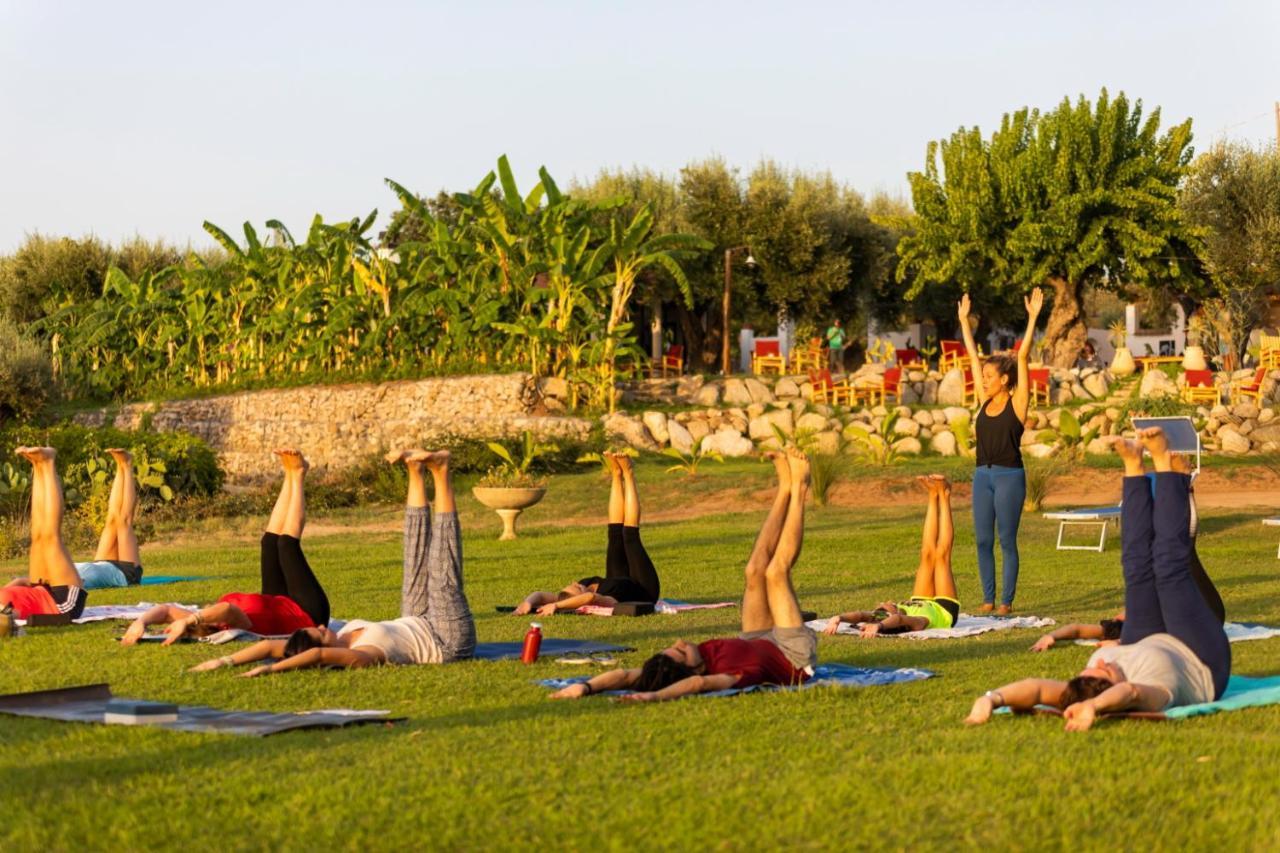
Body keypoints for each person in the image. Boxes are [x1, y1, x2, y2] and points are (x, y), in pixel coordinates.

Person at [966, 428, 1231, 731]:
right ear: (1111, 694)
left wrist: (991, 698)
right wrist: (1094, 706)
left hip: (1144, 638)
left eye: (1089, 672)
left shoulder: (1089, 681)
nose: (1101, 663)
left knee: (1135, 566)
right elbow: (1129, 691)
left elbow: (1037, 689)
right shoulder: (1151, 692)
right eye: (1105, 674)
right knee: (1169, 568)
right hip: (1198, 656)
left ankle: (1133, 466)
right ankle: (1162, 461)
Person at [550, 449, 817, 702]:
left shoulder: (695, 660)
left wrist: (585, 687)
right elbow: (698, 686)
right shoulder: (723, 677)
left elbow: (626, 675)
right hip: (792, 655)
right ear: (693, 671)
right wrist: (655, 697)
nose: (680, 642)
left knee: (754, 571)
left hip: (755, 638)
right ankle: (801, 488)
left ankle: (784, 490)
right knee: (775, 573)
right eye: (680, 651)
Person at [191, 449, 475, 675]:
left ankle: (415, 471)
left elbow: (267, 645)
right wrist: (272, 671)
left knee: (413, 557)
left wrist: (224, 662)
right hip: (444, 639)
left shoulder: (338, 633)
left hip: (414, 619)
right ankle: (441, 472)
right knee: (442, 575)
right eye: (320, 634)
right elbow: (318, 654)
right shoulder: (364, 655)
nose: (325, 627)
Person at [121, 449, 329, 645]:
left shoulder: (203, 618)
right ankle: (299, 474)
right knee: (286, 545)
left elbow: (165, 610)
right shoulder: (234, 624)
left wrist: (142, 622)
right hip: (307, 613)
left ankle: (289, 474)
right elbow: (228, 609)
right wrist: (189, 620)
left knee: (268, 542)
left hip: (277, 601)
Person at [958, 287, 1043, 614]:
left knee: (1006, 540)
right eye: (983, 375)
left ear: (1005, 380)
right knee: (982, 541)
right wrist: (965, 322)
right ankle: (987, 599)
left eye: (990, 376)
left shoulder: (1019, 404)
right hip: (983, 476)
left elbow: (1022, 357)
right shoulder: (983, 399)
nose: (984, 378)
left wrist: (1033, 318)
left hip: (1010, 477)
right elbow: (970, 354)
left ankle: (1006, 602)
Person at [514, 452, 660, 616]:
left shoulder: (580, 588)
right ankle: (629, 473)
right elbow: (589, 597)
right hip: (644, 590)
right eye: (576, 587)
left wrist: (528, 602)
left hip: (621, 579)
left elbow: (540, 595)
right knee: (629, 536)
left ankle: (617, 474)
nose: (576, 582)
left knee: (614, 533)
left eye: (572, 584)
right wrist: (557, 607)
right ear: (579, 598)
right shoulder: (600, 599)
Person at [822, 474, 960, 637]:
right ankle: (944, 495)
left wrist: (838, 618)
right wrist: (879, 626)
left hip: (919, 600)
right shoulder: (915, 623)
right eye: (884, 607)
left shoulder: (892, 613)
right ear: (889, 617)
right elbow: (900, 620)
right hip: (943, 609)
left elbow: (860, 615)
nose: (883, 603)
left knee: (926, 553)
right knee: (941, 556)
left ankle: (932, 495)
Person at [0, 447, 87, 620]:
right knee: (51, 538)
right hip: (60, 605)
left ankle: (38, 466)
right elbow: (9, 618)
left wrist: (19, 583)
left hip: (37, 588)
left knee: (38, 535)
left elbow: (11, 588)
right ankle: (48, 462)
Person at [76, 448, 145, 588]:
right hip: (125, 576)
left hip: (101, 564)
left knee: (112, 519)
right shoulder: (61, 587)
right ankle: (127, 465)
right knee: (123, 522)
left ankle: (120, 465)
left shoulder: (46, 575)